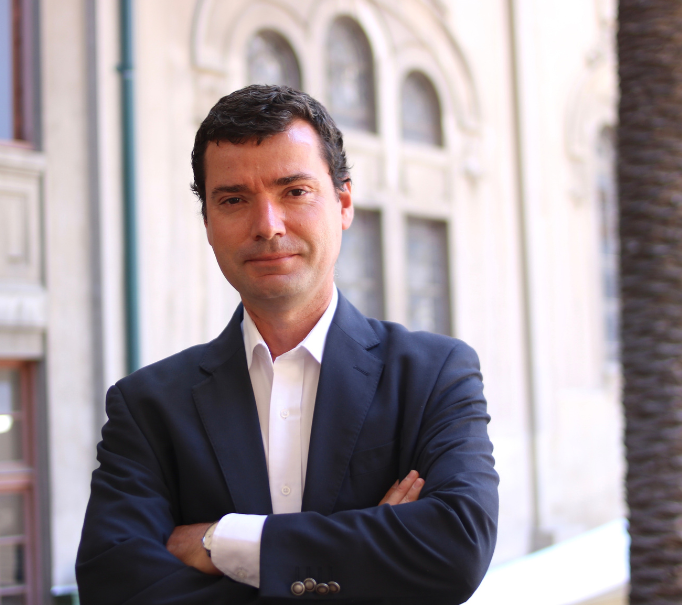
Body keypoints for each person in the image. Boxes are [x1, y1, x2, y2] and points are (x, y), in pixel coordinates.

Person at [76, 85, 499, 604]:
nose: (267, 226)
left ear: (343, 203)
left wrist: (222, 540)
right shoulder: (147, 406)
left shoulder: (434, 375)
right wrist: (370, 556)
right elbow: (113, 585)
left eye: (294, 192)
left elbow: (455, 548)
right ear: (208, 223)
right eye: (234, 200)